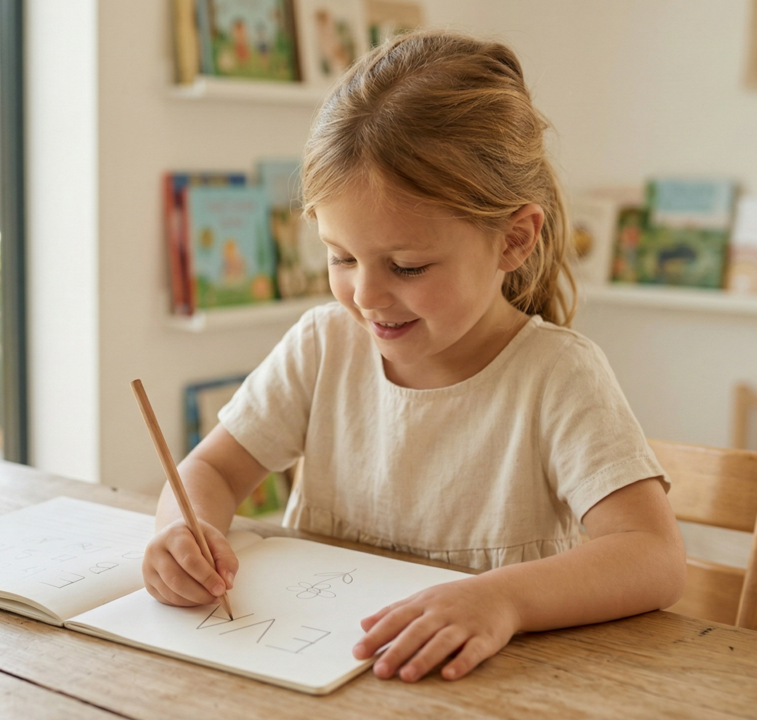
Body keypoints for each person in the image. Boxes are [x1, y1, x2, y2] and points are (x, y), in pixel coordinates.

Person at [142, 30, 686, 683]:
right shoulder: (322, 347)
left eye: (407, 265)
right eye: (341, 256)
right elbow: (215, 473)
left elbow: (653, 557)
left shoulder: (558, 376)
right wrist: (183, 530)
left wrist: (502, 598)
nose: (365, 295)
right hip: (317, 675)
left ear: (513, 239)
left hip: (492, 689)